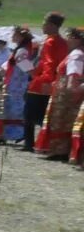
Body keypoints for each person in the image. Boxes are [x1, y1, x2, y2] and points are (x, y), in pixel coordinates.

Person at [34, 26, 84, 162]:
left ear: (76, 39)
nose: (67, 40)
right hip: (66, 91)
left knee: (60, 121)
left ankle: (59, 150)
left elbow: (73, 74)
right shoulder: (78, 53)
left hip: (65, 93)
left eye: (69, 37)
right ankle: (63, 150)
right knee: (65, 121)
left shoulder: (77, 55)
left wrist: (70, 88)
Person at [23, 12, 66, 151]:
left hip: (42, 82)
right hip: (54, 80)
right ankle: (48, 143)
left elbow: (49, 62)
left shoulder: (50, 42)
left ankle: (29, 144)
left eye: (45, 23)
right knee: (44, 115)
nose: (43, 25)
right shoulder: (62, 41)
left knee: (30, 115)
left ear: (52, 25)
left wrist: (44, 80)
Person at [0, 27, 34, 144]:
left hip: (17, 81)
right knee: (12, 105)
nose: (12, 37)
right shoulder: (20, 49)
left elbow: (25, 65)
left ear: (21, 37)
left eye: (15, 35)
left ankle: (19, 133)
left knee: (15, 106)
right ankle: (11, 133)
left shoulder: (22, 50)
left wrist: (33, 75)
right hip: (14, 80)